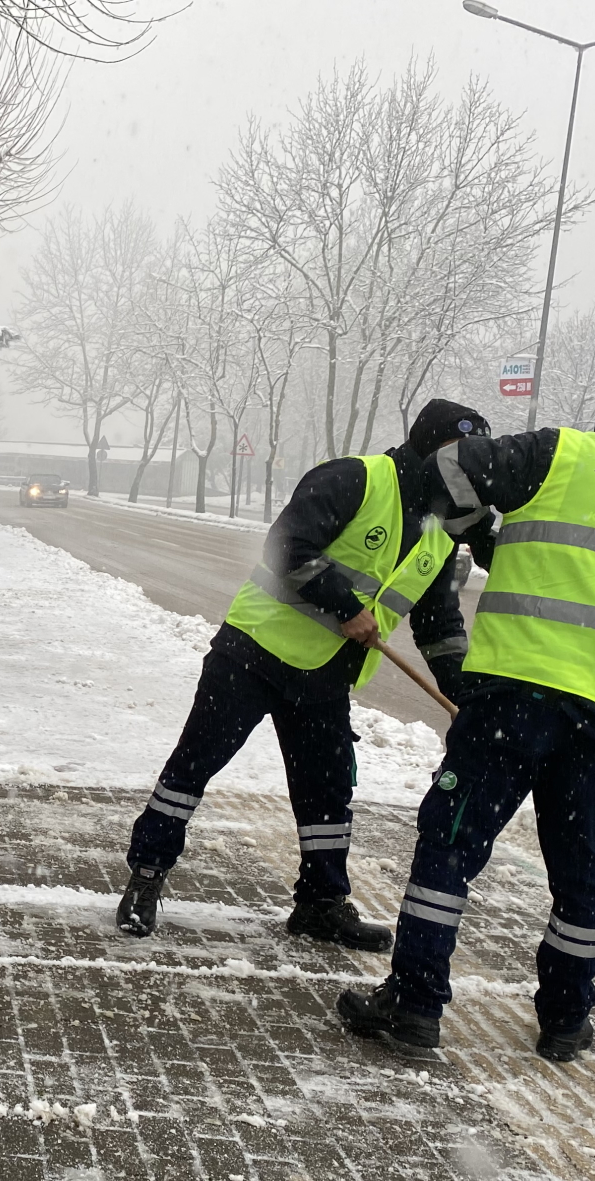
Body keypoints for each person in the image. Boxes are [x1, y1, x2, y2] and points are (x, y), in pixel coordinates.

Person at [335, 371, 595, 1064]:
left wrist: (479, 531)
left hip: (516, 695)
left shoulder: (561, 452)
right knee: (581, 871)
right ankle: (566, 1021)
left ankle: (416, 1004)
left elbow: (449, 466)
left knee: (450, 845)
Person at [117, 399, 494, 947]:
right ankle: (147, 874)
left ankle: (320, 904)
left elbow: (439, 625)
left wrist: (466, 696)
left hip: (325, 677)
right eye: (461, 455)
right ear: (431, 448)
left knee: (327, 792)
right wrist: (344, 605)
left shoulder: (441, 532)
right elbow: (288, 545)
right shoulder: (356, 478)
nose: (469, 469)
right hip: (253, 653)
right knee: (193, 767)